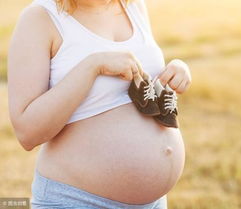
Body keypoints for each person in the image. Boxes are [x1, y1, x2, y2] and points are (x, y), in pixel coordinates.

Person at [7, 0, 192, 208]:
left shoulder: (132, 5)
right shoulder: (39, 19)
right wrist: (93, 66)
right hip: (77, 201)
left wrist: (177, 69)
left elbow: (138, 86)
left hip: (153, 203)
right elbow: (27, 133)